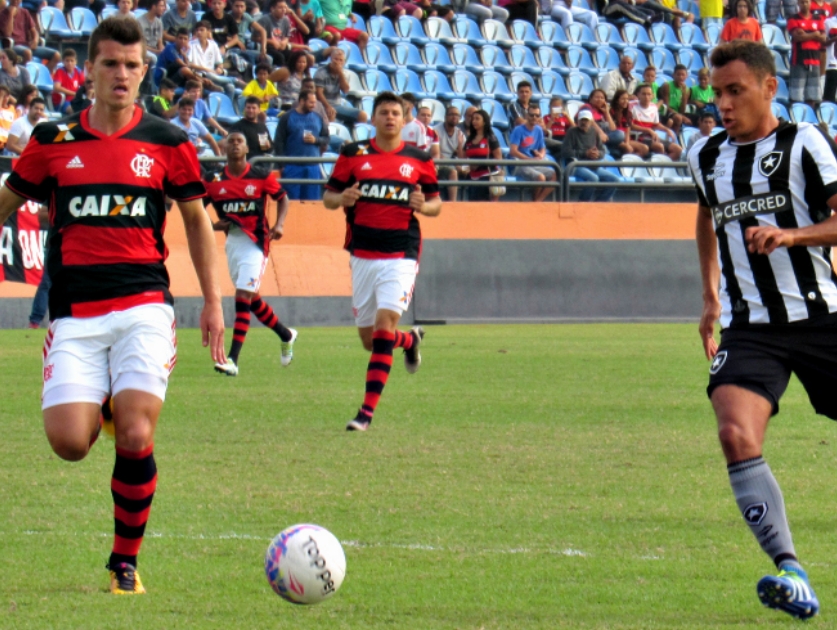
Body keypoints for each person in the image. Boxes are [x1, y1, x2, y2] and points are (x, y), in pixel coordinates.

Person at [0, 15, 224, 595]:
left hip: (146, 307)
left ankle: (123, 561)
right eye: (110, 64)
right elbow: (5, 203)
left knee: (134, 434)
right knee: (70, 444)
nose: (121, 74)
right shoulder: (53, 142)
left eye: (131, 64)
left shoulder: (169, 143)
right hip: (75, 314)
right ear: (89, 72)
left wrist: (212, 303)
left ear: (145, 71)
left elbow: (197, 224)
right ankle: (102, 400)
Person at [688, 39, 837, 622]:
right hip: (751, 327)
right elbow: (704, 216)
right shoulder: (705, 155)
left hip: (822, 318)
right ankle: (791, 571)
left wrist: (792, 236)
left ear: (769, 87)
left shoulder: (805, 144)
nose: (723, 104)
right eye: (717, 93)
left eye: (735, 91)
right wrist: (709, 296)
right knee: (735, 433)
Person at [322, 91, 441, 432]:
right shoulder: (352, 154)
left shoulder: (419, 158)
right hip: (362, 251)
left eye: (395, 113)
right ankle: (410, 340)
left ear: (404, 121)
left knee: (384, 325)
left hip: (401, 252)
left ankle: (365, 413)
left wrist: (423, 205)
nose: (390, 117)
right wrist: (341, 197)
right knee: (370, 339)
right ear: (373, 119)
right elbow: (329, 197)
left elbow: (436, 204)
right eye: (383, 112)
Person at [206, 132, 297, 376]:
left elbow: (283, 198)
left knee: (243, 295)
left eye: (240, 141)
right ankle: (286, 334)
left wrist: (279, 225)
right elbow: (196, 206)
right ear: (224, 148)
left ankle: (233, 360)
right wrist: (213, 225)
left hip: (256, 241)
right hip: (233, 242)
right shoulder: (213, 179)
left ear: (247, 149)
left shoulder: (260, 176)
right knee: (251, 299)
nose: (235, 144)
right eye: (231, 141)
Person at [274, 88, 328, 199]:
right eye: (311, 102)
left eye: (315, 102)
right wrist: (282, 165)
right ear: (302, 101)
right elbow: (279, 142)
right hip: (292, 166)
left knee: (311, 203)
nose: (314, 105)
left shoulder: (318, 118)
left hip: (312, 166)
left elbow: (326, 138)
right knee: (291, 202)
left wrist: (316, 140)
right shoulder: (287, 117)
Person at [560, 109, 620, 202]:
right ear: (578, 121)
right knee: (593, 178)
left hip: (593, 165)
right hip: (576, 165)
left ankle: (599, 203)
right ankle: (583, 203)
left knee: (614, 180)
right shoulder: (572, 132)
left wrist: (597, 154)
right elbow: (565, 152)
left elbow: (602, 150)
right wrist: (585, 153)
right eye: (582, 120)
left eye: (586, 120)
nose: (584, 122)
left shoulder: (594, 132)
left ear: (591, 121)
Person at [510, 103, 556, 203]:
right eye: (531, 115)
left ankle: (538, 201)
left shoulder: (539, 130)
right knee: (540, 177)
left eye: (537, 115)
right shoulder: (518, 130)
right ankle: (535, 202)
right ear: (527, 116)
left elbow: (542, 148)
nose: (534, 118)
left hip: (535, 162)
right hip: (521, 163)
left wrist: (541, 155)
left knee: (557, 174)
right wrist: (529, 159)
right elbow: (513, 151)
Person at [0, 0, 61, 72]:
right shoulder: (3, 13)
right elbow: (7, 34)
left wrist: (35, 40)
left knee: (56, 55)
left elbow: (34, 31)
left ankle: (41, 75)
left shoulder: (24, 12)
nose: (16, 1)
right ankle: (25, 77)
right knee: (28, 52)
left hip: (27, 45)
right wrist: (10, 15)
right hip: (13, 46)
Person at [313, 48, 368, 125]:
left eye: (341, 60)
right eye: (336, 59)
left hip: (337, 105)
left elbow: (345, 90)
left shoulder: (343, 73)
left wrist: (340, 73)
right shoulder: (321, 72)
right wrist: (328, 106)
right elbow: (318, 93)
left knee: (362, 115)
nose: (338, 62)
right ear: (331, 59)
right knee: (331, 114)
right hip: (323, 105)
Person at [459, 108, 502, 201]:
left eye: (477, 119)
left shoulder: (491, 138)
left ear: (484, 122)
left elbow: (498, 158)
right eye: (473, 119)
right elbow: (462, 157)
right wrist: (459, 145)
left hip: (488, 177)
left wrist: (479, 164)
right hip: (473, 177)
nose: (474, 121)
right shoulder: (470, 139)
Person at [788, 0, 825, 107]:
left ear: (810, 3)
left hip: (814, 60)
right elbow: (797, 37)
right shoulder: (793, 18)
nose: (805, 4)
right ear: (798, 4)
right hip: (799, 60)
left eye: (807, 2)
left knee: (812, 96)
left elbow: (823, 38)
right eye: (802, 2)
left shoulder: (817, 18)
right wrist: (815, 34)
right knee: (796, 95)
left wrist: (806, 34)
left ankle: (810, 119)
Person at [631, 83, 683, 159]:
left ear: (652, 96)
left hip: (651, 137)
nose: (646, 97)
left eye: (649, 94)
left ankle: (665, 165)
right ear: (638, 95)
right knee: (659, 147)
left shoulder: (653, 107)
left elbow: (656, 124)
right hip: (638, 136)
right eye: (644, 94)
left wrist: (667, 129)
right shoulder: (632, 106)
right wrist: (648, 130)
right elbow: (630, 125)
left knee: (678, 149)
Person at [188, 20, 238, 98]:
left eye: (202, 30)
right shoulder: (191, 45)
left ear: (208, 31)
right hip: (200, 75)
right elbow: (189, 64)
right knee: (209, 74)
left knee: (230, 87)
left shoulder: (213, 45)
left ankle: (226, 108)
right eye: (197, 30)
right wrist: (206, 69)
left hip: (214, 76)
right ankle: (235, 80)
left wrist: (220, 69)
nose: (199, 32)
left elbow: (219, 63)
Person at [433, 105, 465, 201]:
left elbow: (461, 158)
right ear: (445, 116)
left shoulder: (460, 133)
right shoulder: (435, 130)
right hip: (437, 162)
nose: (454, 117)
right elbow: (436, 153)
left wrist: (459, 144)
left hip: (451, 162)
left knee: (466, 170)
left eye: (457, 115)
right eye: (451, 114)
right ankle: (453, 202)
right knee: (453, 172)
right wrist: (454, 164)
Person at [609, 89, 649, 157]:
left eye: (627, 99)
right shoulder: (612, 111)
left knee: (644, 148)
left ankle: (633, 163)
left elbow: (628, 130)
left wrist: (627, 143)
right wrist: (626, 145)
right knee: (628, 149)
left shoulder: (628, 113)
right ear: (617, 100)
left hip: (626, 139)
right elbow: (612, 129)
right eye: (622, 99)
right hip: (617, 138)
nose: (625, 101)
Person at [658, 64, 692, 135]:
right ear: (673, 75)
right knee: (678, 118)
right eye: (678, 75)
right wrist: (682, 116)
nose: (680, 77)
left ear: (686, 76)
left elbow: (682, 110)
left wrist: (684, 95)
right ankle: (674, 138)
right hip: (666, 111)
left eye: (683, 75)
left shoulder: (687, 89)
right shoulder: (667, 86)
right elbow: (666, 106)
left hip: (677, 113)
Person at [52, 49, 84, 115]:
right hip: (62, 101)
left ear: (76, 62)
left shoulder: (78, 71)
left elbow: (85, 84)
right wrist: (74, 94)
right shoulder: (60, 71)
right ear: (63, 61)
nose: (69, 63)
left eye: (72, 61)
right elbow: (56, 87)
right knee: (74, 112)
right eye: (67, 61)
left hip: (75, 100)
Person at [824, 0, 837, 101]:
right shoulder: (828, 22)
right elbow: (822, 42)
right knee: (829, 97)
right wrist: (834, 39)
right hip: (831, 64)